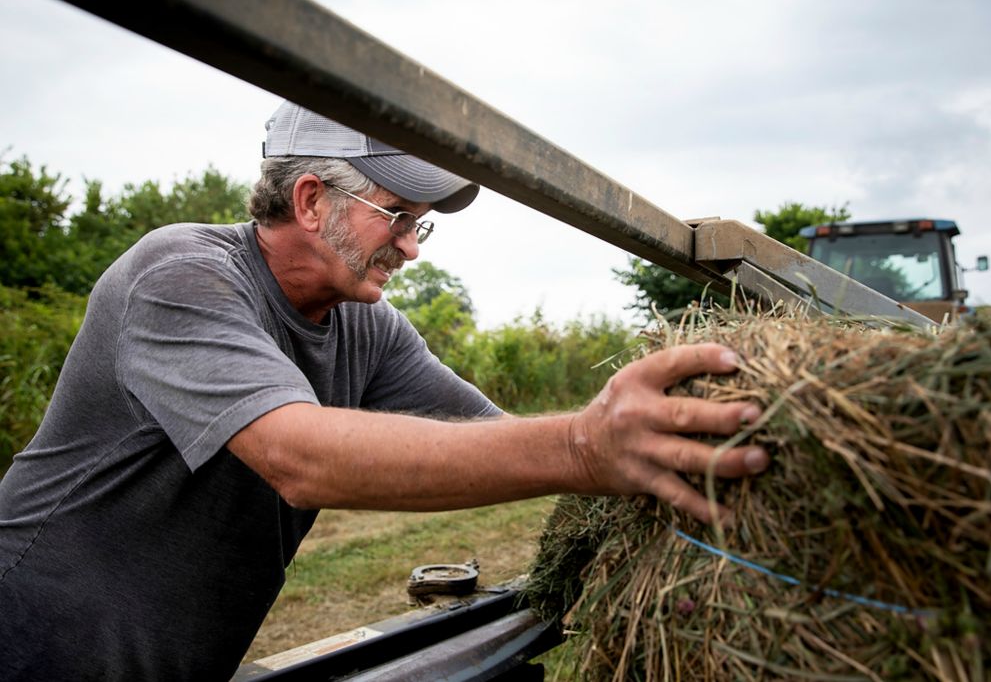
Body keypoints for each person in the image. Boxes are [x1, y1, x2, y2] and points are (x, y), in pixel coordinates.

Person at [0, 101, 769, 680]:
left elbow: (490, 435)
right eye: (396, 217)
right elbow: (299, 454)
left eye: (420, 224)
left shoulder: (365, 326)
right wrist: (584, 444)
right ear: (309, 201)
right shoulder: (179, 275)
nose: (409, 245)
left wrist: (643, 458)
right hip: (31, 643)